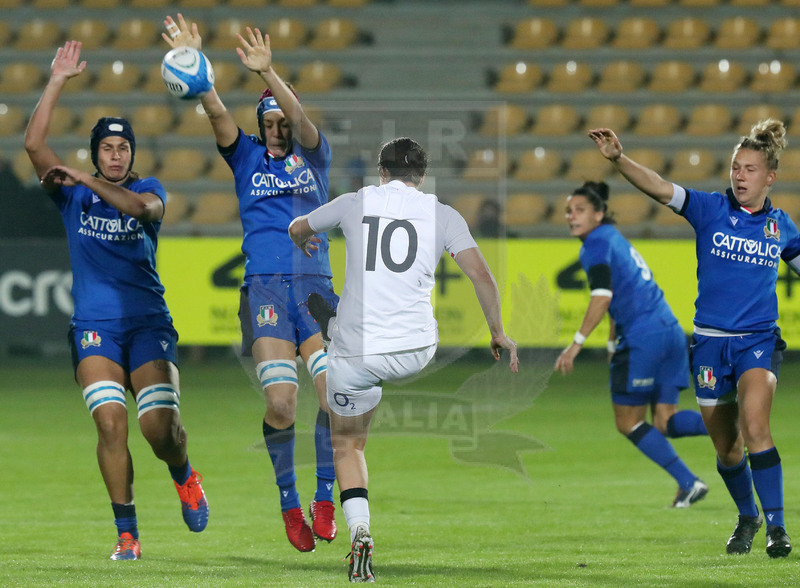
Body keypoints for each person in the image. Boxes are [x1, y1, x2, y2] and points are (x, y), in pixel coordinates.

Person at [289, 137, 519, 582]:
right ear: (422, 177)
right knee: (373, 352)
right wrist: (497, 332)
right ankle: (333, 324)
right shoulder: (442, 213)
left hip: (357, 351)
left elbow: (299, 227)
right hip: (416, 349)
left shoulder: (355, 202)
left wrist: (304, 241)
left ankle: (359, 530)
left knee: (348, 444)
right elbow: (482, 276)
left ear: (381, 173)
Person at [24, 41, 208, 561]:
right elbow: (34, 145)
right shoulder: (72, 196)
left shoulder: (149, 189)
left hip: (149, 324)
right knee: (110, 423)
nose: (115, 154)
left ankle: (183, 472)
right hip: (95, 327)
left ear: (131, 155)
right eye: (106, 147)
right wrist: (57, 79)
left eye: (122, 147)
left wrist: (83, 178)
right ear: (95, 151)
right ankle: (127, 533)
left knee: (161, 431)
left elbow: (142, 210)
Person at [162, 14, 338, 552]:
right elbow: (214, 112)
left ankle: (325, 494)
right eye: (271, 121)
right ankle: (289, 505)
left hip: (315, 289)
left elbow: (303, 120)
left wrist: (270, 72)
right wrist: (199, 71)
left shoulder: (314, 154)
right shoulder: (244, 158)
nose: (280, 128)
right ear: (261, 125)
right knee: (282, 405)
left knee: (338, 397)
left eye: (283, 119)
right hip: (264, 289)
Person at [589, 120, 799, 558]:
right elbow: (661, 188)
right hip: (708, 344)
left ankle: (778, 528)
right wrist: (619, 159)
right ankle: (748, 517)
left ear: (770, 177)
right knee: (727, 450)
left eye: (750, 169)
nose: (740, 176)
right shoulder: (708, 209)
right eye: (735, 168)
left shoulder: (783, 228)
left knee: (756, 425)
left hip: (756, 342)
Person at [554, 181, 709, 509]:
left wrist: (576, 344)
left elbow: (603, 295)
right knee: (665, 420)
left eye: (579, 210)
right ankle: (729, 424)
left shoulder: (594, 244)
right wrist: (612, 341)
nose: (571, 216)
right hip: (670, 331)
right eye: (569, 210)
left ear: (598, 214)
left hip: (643, 338)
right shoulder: (613, 239)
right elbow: (622, 293)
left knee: (628, 421)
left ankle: (688, 481)